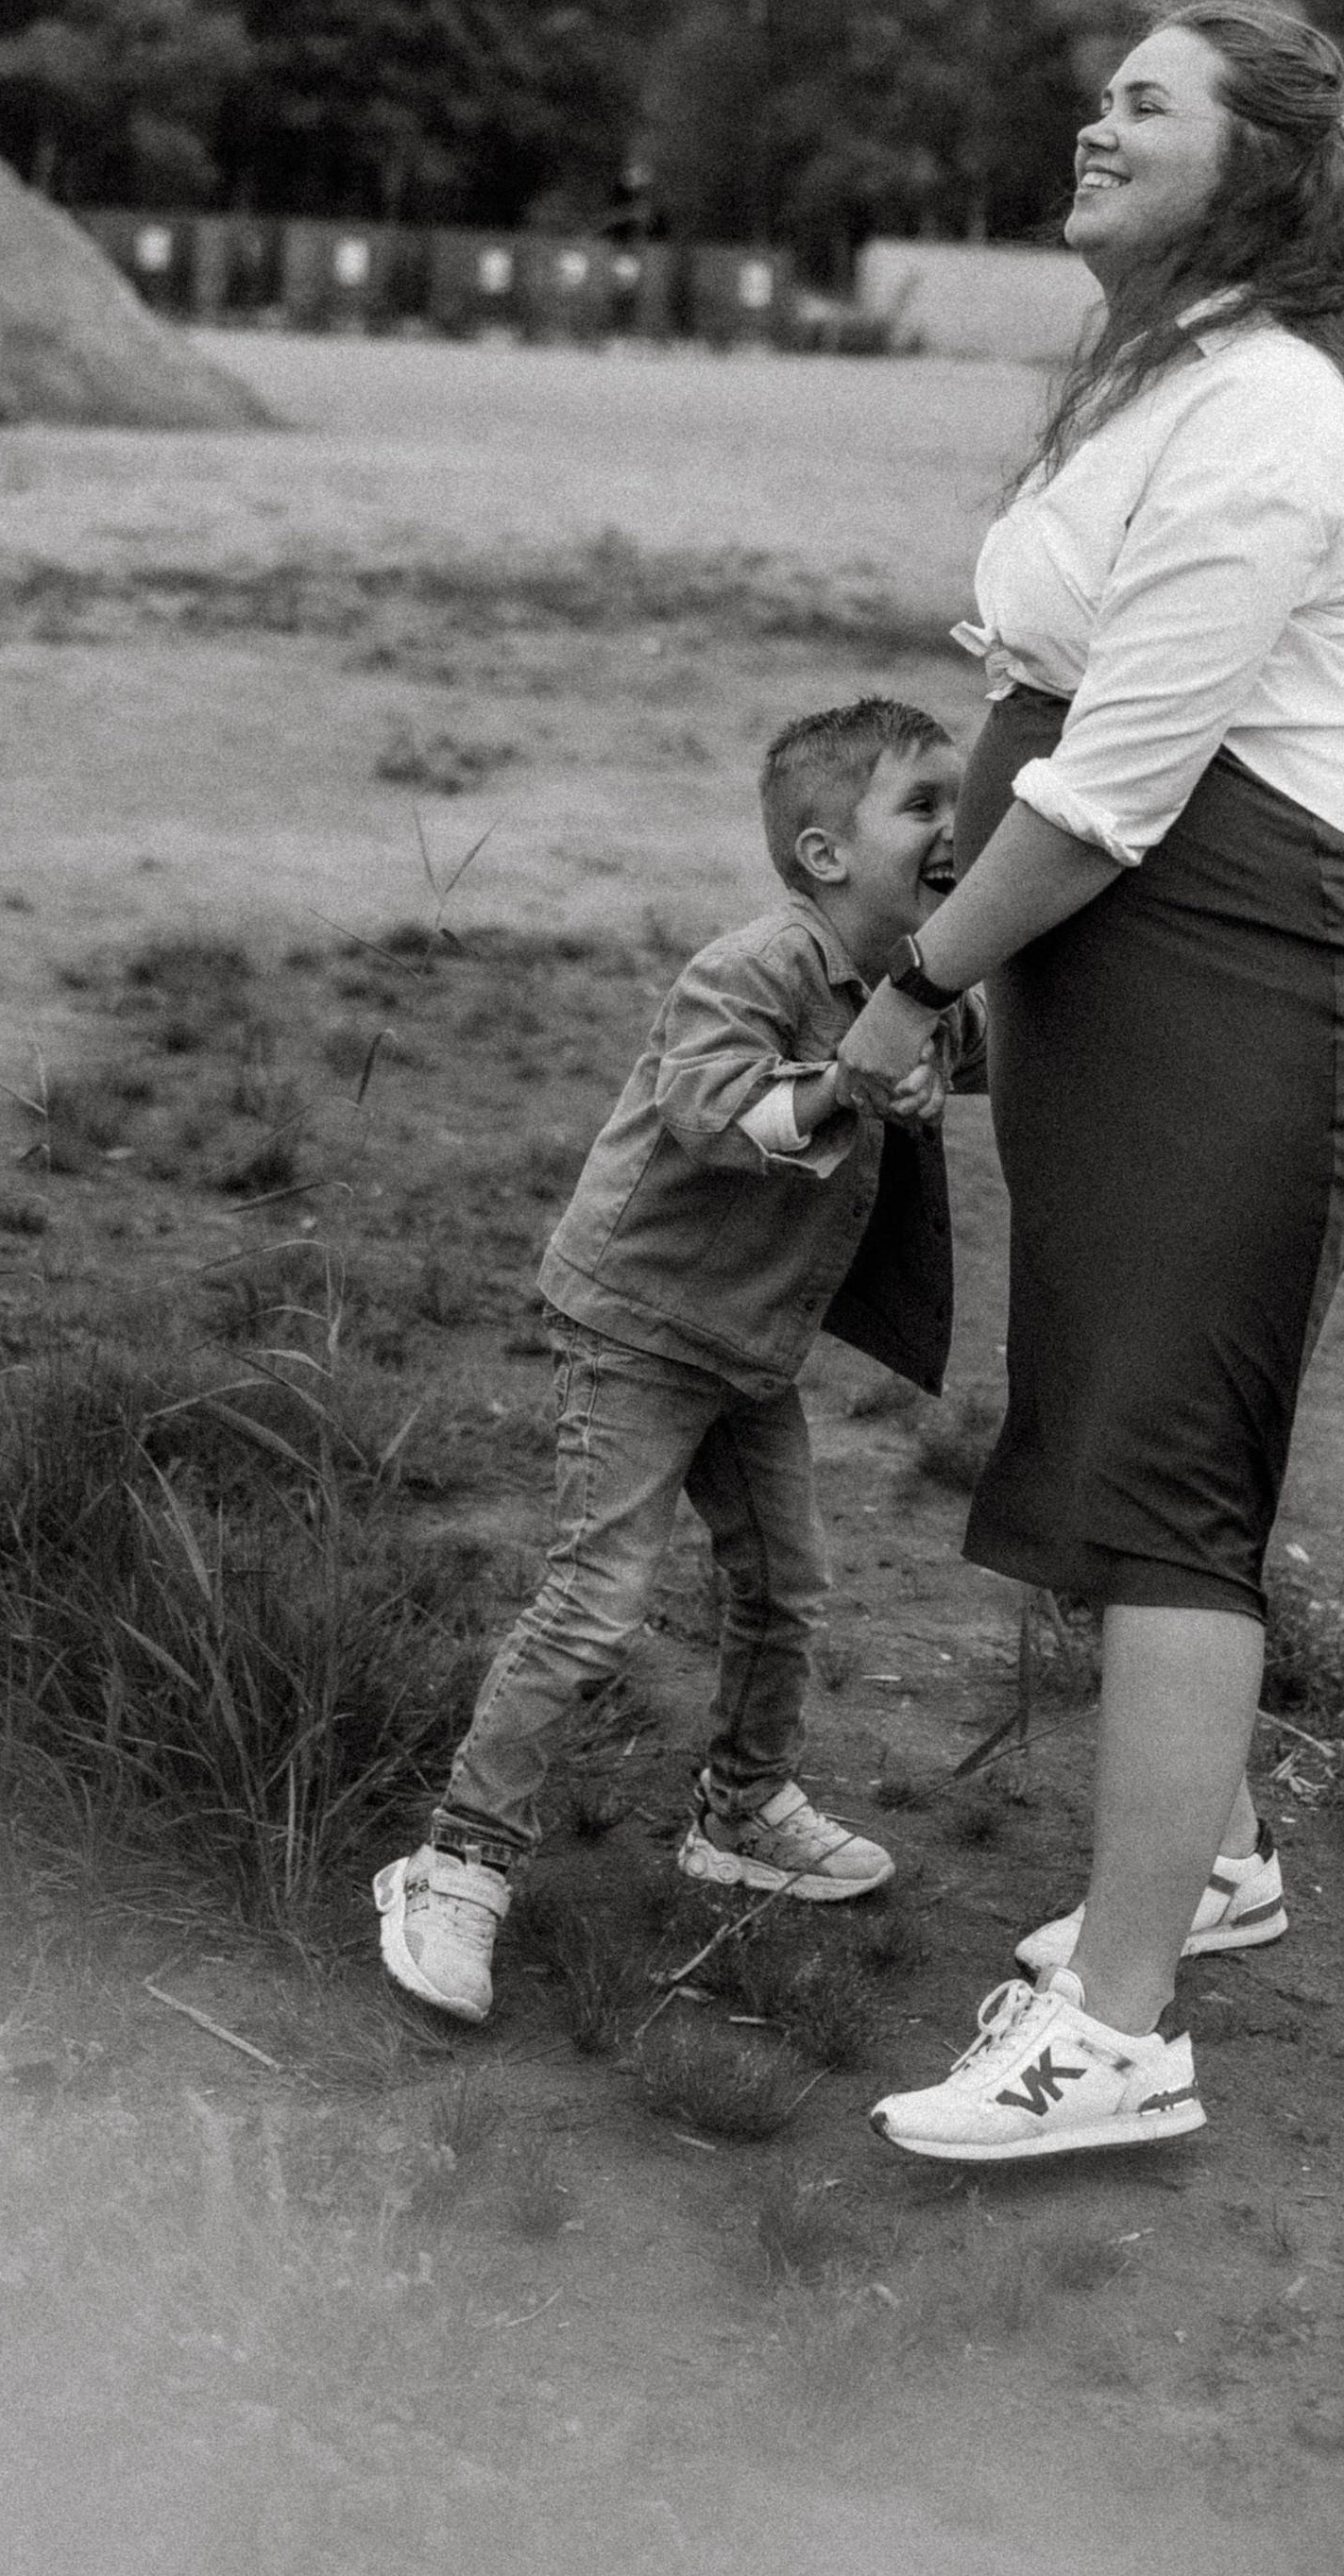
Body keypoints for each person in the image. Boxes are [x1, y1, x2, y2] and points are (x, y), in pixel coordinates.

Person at [836, 0, 1344, 2165]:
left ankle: (1119, 2038)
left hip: (1259, 979)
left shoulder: (1268, 419)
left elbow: (1118, 782)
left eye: (1148, 103)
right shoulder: (1165, 378)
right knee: (1118, 1413)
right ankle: (1202, 1869)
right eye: (1099, 92)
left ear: (1257, 167)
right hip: (1143, 979)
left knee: (1169, 1479)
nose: (1094, 120)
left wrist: (906, 983)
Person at [375, 697, 985, 2026]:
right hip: (646, 1325)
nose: (958, 825)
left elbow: (981, 1053)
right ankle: (457, 1859)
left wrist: (935, 1051)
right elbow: (719, 1114)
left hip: (749, 1343)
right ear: (826, 854)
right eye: (924, 805)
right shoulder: (755, 968)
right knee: (597, 1600)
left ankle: (742, 1808)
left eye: (965, 796)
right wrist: (854, 1079)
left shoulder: (925, 973)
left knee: (787, 1587)